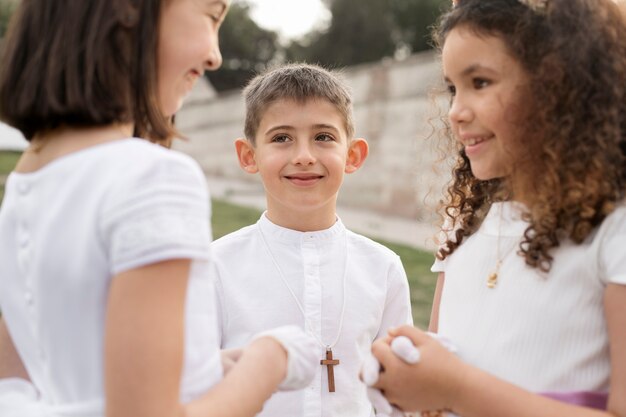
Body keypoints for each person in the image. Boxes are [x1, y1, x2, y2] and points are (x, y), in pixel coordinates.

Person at [0, 1, 316, 416]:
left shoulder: (23, 184)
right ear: (128, 12)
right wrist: (270, 360)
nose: (214, 55)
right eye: (211, 16)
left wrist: (206, 370)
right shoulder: (153, 178)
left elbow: (26, 384)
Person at [368, 0, 626, 416]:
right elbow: (439, 365)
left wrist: (455, 388)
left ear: (560, 84)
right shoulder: (465, 226)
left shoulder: (614, 228)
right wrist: (410, 374)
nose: (455, 112)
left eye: (481, 82)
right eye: (453, 88)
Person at [210, 63, 414, 417]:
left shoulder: (383, 269)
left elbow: (399, 395)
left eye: (323, 137)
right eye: (281, 138)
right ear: (248, 155)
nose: (304, 156)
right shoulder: (216, 266)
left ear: (353, 155)